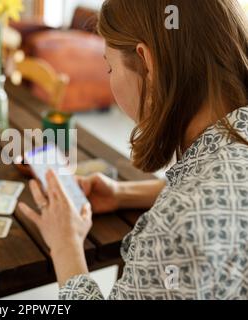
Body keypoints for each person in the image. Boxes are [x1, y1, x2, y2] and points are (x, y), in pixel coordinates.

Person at [18, 0, 248, 300]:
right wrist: (122, 193)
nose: (110, 77)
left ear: (146, 63)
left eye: (110, 66)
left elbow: (194, 211)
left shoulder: (178, 225)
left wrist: (65, 245)